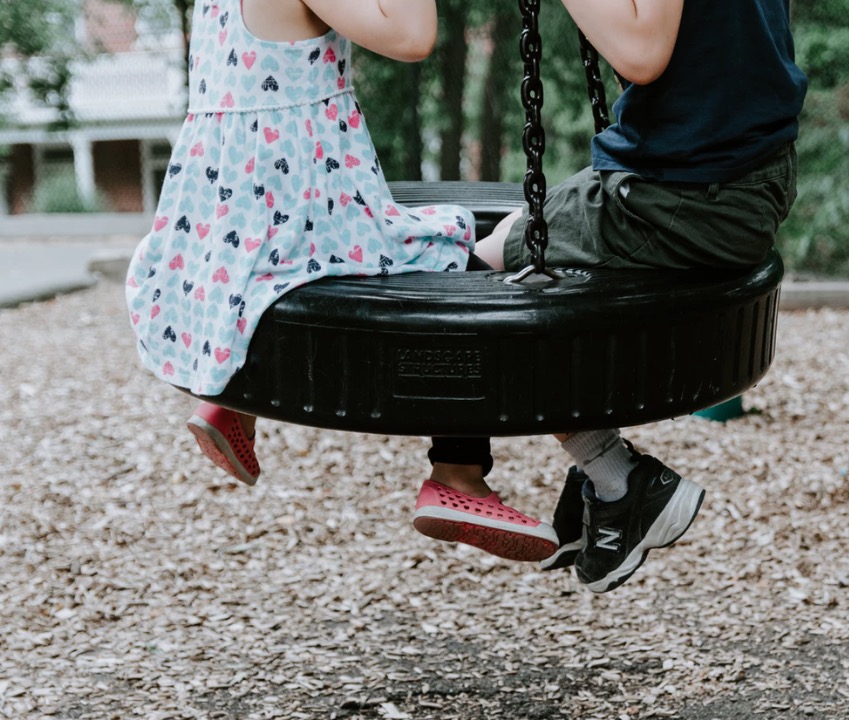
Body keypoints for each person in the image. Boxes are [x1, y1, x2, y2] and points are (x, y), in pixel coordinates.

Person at [125, 0, 558, 563]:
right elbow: (412, 36)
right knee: (455, 267)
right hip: (304, 207)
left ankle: (231, 391)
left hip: (231, 225)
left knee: (277, 275)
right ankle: (459, 474)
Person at [473, 0, 808, 592]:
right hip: (739, 172)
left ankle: (615, 481)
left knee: (492, 268)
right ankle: (608, 481)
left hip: (692, 194)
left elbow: (641, 53)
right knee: (512, 240)